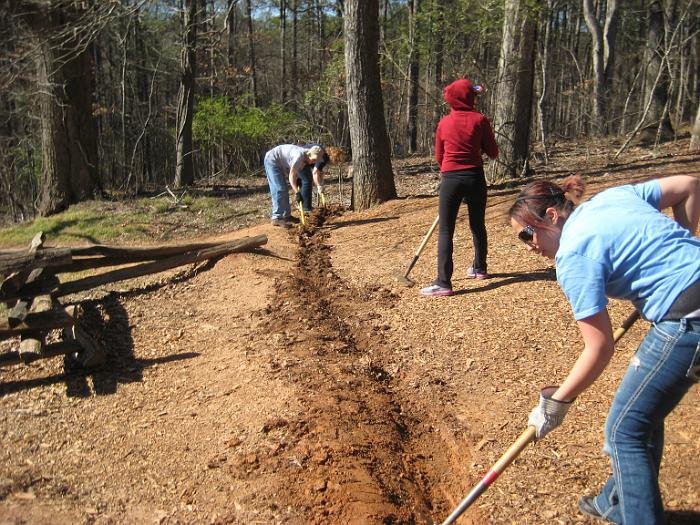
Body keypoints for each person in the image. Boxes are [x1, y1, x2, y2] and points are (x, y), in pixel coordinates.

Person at [508, 174, 699, 524]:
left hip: (689, 321)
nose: (528, 245)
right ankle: (616, 500)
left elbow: (599, 348)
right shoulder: (612, 197)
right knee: (641, 415)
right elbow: (688, 185)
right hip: (691, 302)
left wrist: (555, 404)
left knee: (624, 431)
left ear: (551, 216)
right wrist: (681, 257)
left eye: (527, 233)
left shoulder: (573, 256)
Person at [420, 77, 498, 297]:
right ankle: (479, 268)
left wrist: (451, 167)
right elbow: (493, 152)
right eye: (474, 94)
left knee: (446, 229)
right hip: (475, 177)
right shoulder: (480, 120)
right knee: (477, 224)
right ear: (469, 97)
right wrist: (477, 148)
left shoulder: (444, 123)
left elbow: (439, 156)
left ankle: (444, 282)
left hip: (451, 179)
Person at [263, 144, 324, 228]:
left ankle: (286, 216)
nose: (313, 162)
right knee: (279, 188)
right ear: (309, 154)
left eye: (315, 161)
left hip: (280, 163)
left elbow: (294, 173)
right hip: (272, 160)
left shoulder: (305, 159)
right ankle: (277, 217)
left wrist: (297, 181)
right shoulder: (299, 157)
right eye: (313, 160)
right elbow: (291, 176)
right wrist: (297, 193)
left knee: (284, 188)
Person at [293, 144, 330, 213]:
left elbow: (319, 172)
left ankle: (303, 206)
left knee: (303, 180)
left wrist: (320, 182)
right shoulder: (323, 158)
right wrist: (319, 186)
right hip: (300, 159)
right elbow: (315, 173)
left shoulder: (322, 154)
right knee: (307, 180)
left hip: (299, 157)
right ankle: (306, 208)